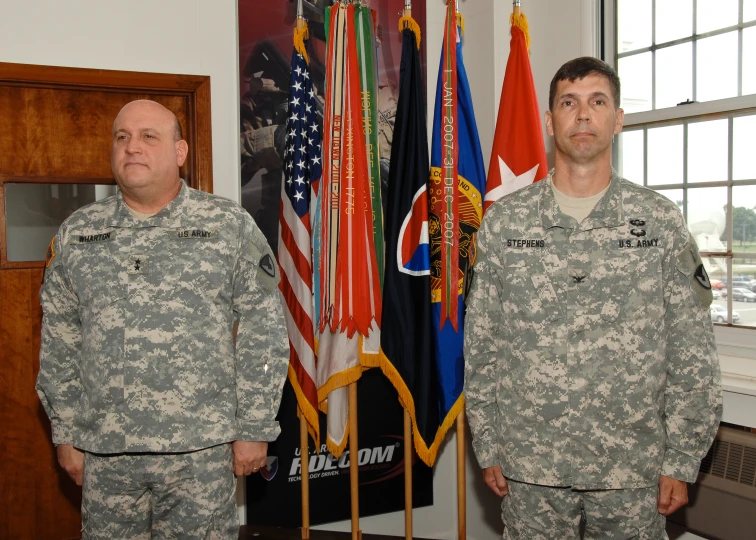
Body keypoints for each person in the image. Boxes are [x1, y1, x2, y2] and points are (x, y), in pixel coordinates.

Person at [464, 57, 722, 539]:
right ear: (550, 120)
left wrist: (683, 457)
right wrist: (489, 443)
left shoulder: (658, 221)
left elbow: (692, 352)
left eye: (597, 102)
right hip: (531, 466)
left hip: (633, 472)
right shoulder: (506, 224)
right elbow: (483, 347)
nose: (583, 115)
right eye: (569, 103)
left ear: (617, 118)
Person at [36, 100, 289, 539]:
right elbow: (59, 338)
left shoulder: (226, 224)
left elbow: (263, 327)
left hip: (201, 455)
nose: (132, 147)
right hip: (106, 453)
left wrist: (255, 426)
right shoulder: (78, 232)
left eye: (149, 136)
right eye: (122, 137)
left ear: (180, 152)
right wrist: (65, 431)